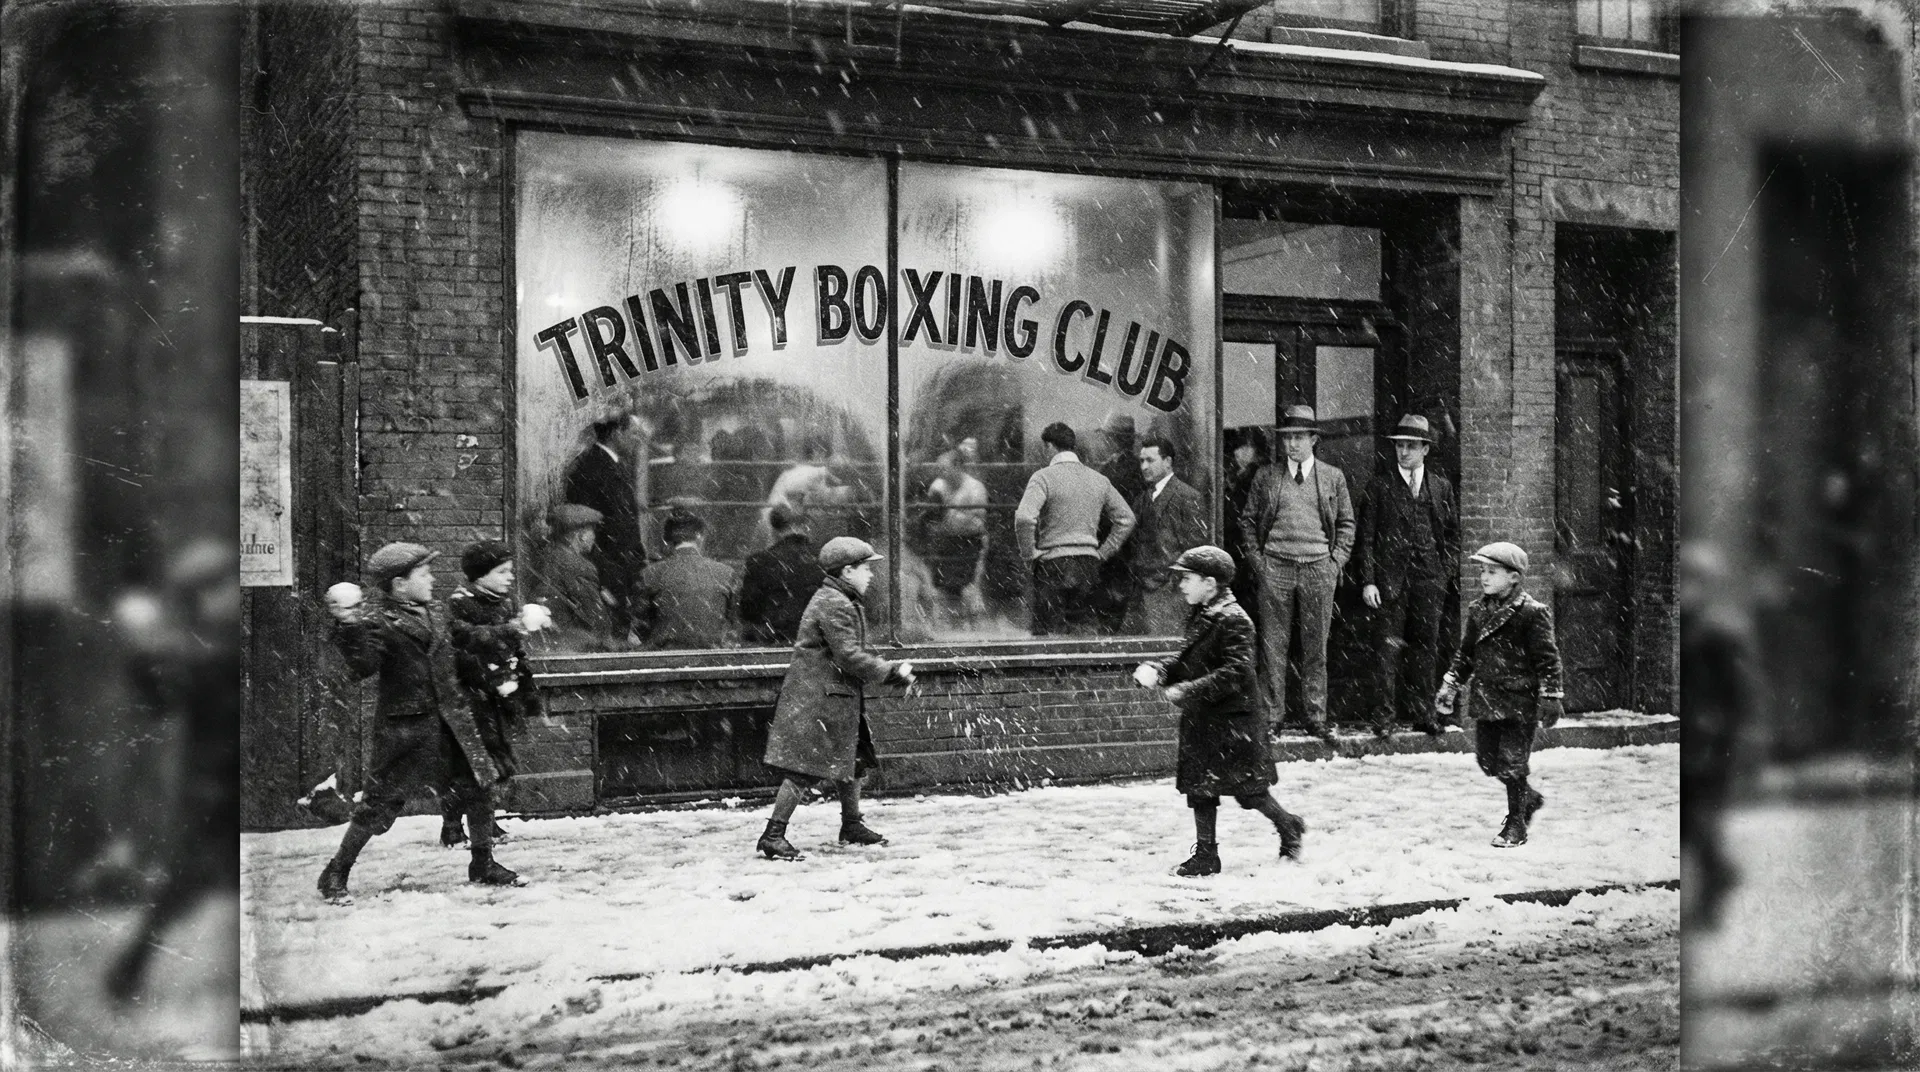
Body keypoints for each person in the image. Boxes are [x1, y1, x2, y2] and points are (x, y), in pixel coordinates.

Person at [317, 543, 523, 906]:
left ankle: (482, 862)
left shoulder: (437, 612)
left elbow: (461, 649)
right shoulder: (379, 623)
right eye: (424, 575)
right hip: (406, 727)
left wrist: (501, 650)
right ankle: (336, 871)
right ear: (399, 585)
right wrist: (348, 627)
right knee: (379, 805)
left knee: (479, 785)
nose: (432, 580)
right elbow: (363, 666)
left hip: (453, 719)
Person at [104, 540, 240, 1002]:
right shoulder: (199, 651)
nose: (234, 593)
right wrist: (146, 655)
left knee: (198, 882)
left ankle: (133, 965)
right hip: (215, 786)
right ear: (201, 595)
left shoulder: (222, 643)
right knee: (186, 882)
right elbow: (160, 698)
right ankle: (130, 966)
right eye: (222, 586)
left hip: (231, 778)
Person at [1133, 546, 1306, 876]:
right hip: (1206, 717)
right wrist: (1161, 670)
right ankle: (1206, 855)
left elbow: (1236, 673)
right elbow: (1190, 662)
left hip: (1234, 720)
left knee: (1250, 791)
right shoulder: (1204, 613)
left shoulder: (1235, 619)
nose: (1181, 584)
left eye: (1187, 578)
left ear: (1209, 583)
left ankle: (1289, 826)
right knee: (1200, 788)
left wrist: (1188, 690)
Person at [756, 537, 917, 860]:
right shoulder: (835, 602)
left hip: (836, 697)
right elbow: (848, 656)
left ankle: (851, 824)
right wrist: (890, 672)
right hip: (821, 700)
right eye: (865, 568)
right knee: (802, 769)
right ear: (847, 571)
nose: (870, 575)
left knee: (854, 761)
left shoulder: (841, 598)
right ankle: (772, 835)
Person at [1435, 542, 1566, 849]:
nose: (1484, 577)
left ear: (1514, 577)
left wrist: (1551, 696)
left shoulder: (1532, 614)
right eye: (1482, 570)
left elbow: (1548, 659)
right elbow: (1465, 654)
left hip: (1519, 701)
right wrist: (1450, 685)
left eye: (1492, 571)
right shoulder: (1478, 610)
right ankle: (1528, 798)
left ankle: (1517, 824)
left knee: (1512, 763)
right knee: (1488, 762)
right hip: (1487, 698)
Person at [1239, 405, 1356, 742]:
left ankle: (1315, 717)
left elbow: (1347, 523)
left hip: (1319, 568)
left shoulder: (1332, 476)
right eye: (1288, 438)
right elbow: (1247, 521)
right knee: (1273, 646)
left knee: (1315, 647)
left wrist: (1335, 562)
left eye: (1299, 437)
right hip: (1276, 567)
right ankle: (1273, 717)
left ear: (1314, 440)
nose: (1292, 444)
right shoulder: (1267, 476)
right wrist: (1260, 564)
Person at [440, 539, 550, 848]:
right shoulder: (459, 604)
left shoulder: (505, 604)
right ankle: (451, 823)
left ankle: (484, 819)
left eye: (510, 571)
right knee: (476, 765)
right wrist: (509, 635)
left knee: (502, 761)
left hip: (502, 695)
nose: (509, 577)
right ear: (480, 575)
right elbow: (463, 646)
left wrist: (526, 690)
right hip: (473, 698)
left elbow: (515, 652)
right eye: (502, 572)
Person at [1355, 414, 1458, 738]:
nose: (1403, 453)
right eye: (1400, 446)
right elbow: (1366, 538)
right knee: (1387, 651)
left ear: (1425, 450)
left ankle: (1423, 713)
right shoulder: (1380, 486)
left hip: (1429, 581)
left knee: (1425, 649)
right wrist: (1369, 579)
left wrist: (1444, 572)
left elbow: (1453, 535)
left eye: (1411, 447)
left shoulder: (1440, 487)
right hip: (1390, 583)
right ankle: (1383, 718)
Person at [1013, 421, 1136, 636]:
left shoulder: (1043, 477)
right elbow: (1126, 519)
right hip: (1088, 567)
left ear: (1050, 447)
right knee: (1083, 632)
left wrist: (1029, 554)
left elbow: (1024, 518)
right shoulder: (1098, 479)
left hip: (1053, 565)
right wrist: (1103, 553)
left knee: (1047, 636)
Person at [563, 415, 645, 636]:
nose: (638, 440)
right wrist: (610, 577)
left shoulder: (609, 465)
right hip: (607, 573)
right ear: (616, 432)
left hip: (616, 571)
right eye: (634, 434)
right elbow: (589, 528)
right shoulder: (593, 469)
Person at [1134, 435, 1209, 636]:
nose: (1144, 466)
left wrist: (1176, 581)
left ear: (1167, 462)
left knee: (1168, 648)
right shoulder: (1143, 498)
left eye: (1150, 460)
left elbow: (1196, 548)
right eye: (1141, 461)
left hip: (1172, 591)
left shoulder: (1188, 496)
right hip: (1145, 588)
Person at [632, 510, 738, 648]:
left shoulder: (650, 574)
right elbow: (734, 623)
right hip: (711, 658)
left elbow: (640, 625)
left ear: (666, 541)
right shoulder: (726, 573)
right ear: (700, 537)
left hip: (664, 657)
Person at [527, 503, 615, 649]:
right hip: (571, 644)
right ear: (581, 535)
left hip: (546, 640)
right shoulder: (580, 566)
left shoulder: (545, 557)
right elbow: (596, 617)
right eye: (592, 532)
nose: (594, 537)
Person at [923, 433, 990, 621]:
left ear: (957, 467)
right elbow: (932, 521)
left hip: (970, 543)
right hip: (946, 543)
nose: (941, 473)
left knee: (970, 589)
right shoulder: (938, 486)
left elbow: (978, 523)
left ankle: (973, 625)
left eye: (944, 469)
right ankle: (946, 623)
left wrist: (949, 517)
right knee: (940, 588)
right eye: (939, 469)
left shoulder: (975, 488)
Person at [1093, 412, 1147, 633]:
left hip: (1124, 545)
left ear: (1116, 439)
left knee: (1118, 599)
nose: (1104, 442)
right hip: (1110, 543)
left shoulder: (1133, 469)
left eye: (1108, 437)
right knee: (1109, 598)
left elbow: (1132, 510)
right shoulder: (1108, 467)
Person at [739, 503, 820, 646]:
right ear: (806, 526)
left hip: (772, 641)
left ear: (774, 529)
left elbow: (748, 610)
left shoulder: (759, 561)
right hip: (812, 642)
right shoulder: (821, 559)